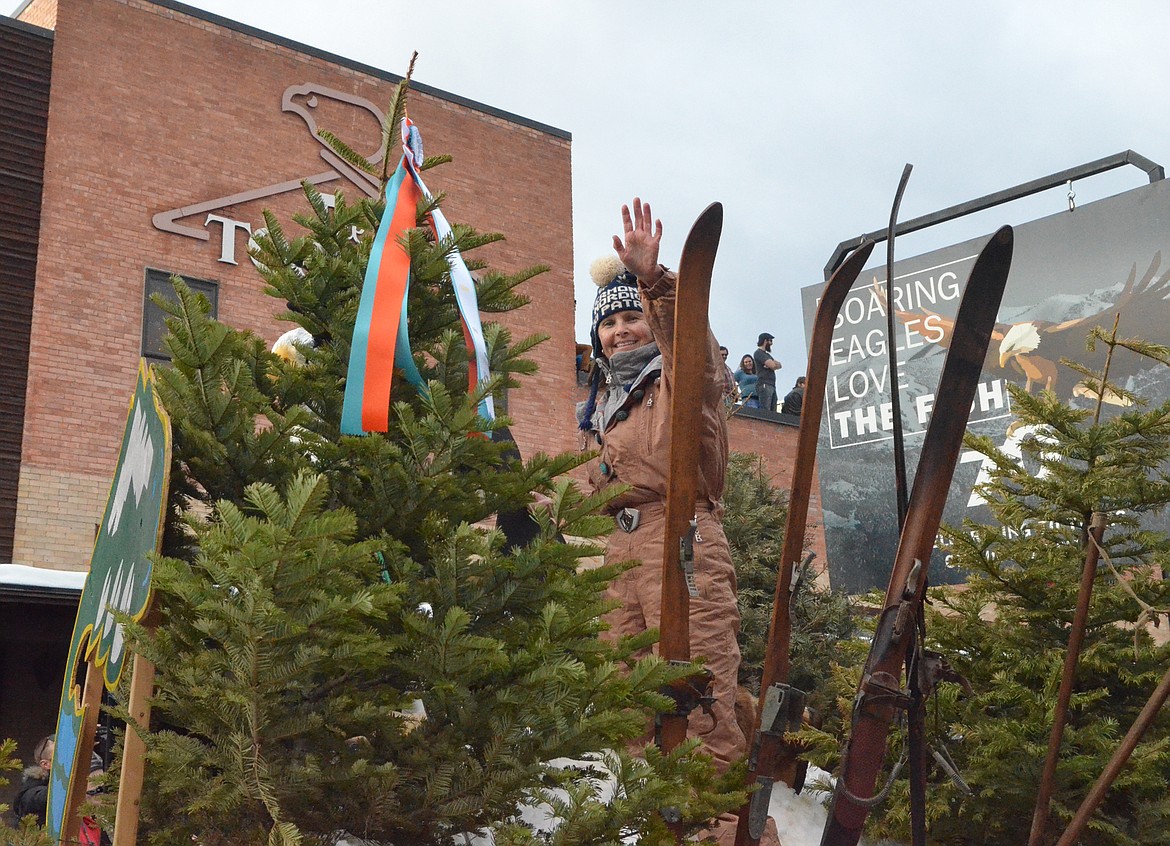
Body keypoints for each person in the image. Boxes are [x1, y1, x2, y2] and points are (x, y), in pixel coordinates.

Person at [578, 199, 773, 846]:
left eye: (632, 318)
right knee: (629, 708)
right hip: (620, 558)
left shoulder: (686, 381)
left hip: (684, 547)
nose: (621, 332)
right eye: (611, 324)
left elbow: (692, 346)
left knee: (706, 705)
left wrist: (657, 282)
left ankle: (727, 834)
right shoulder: (602, 406)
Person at [752, 332, 781, 412]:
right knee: (766, 410)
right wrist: (772, 364)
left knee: (773, 410)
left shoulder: (767, 355)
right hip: (764, 384)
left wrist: (771, 364)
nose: (771, 343)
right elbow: (773, 365)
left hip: (771, 385)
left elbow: (779, 365)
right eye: (770, 341)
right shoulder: (758, 353)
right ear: (765, 341)